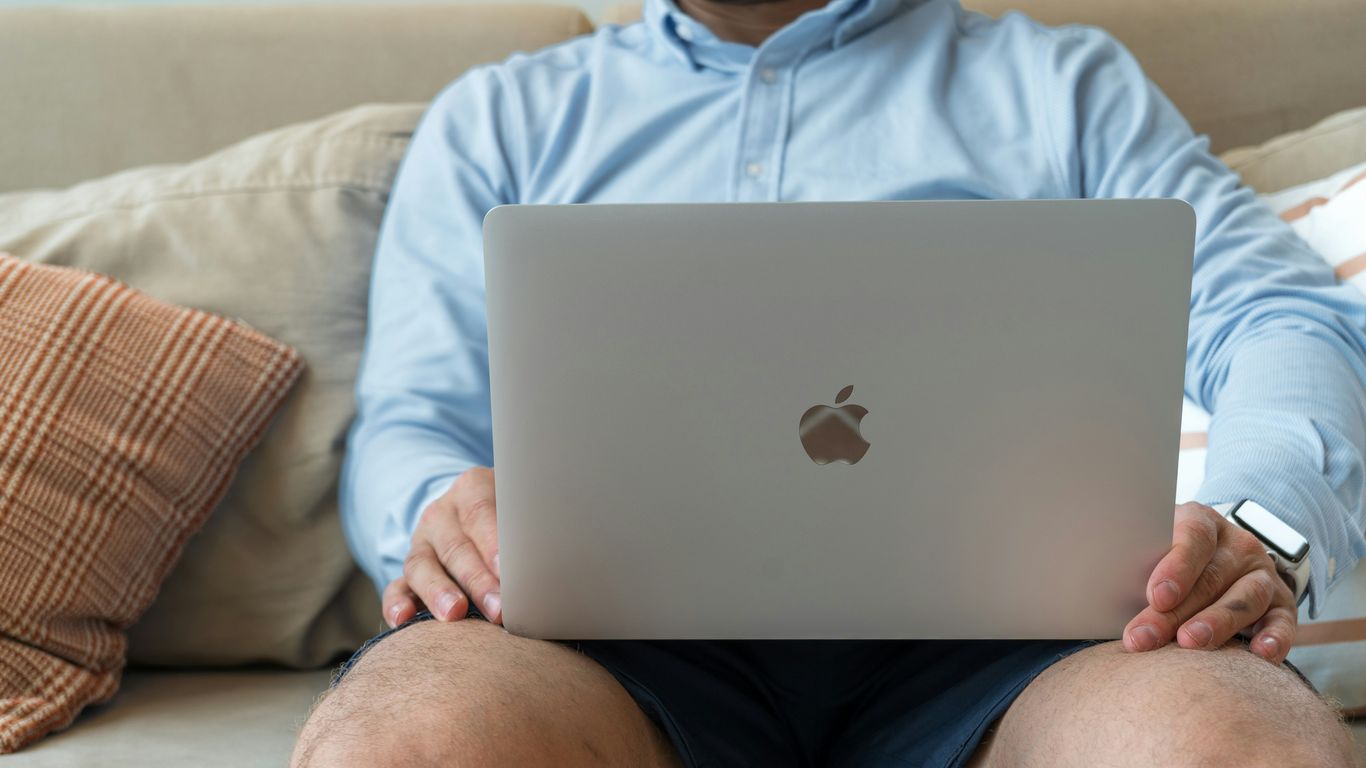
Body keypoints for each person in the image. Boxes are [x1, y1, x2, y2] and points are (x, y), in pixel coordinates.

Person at [293, 0, 1366, 764]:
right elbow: (412, 420)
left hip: (1029, 641)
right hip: (594, 640)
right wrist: (441, 509)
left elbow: (1273, 312)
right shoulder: (499, 119)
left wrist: (1257, 529)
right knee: (407, 745)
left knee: (1232, 745)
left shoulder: (1061, 84)